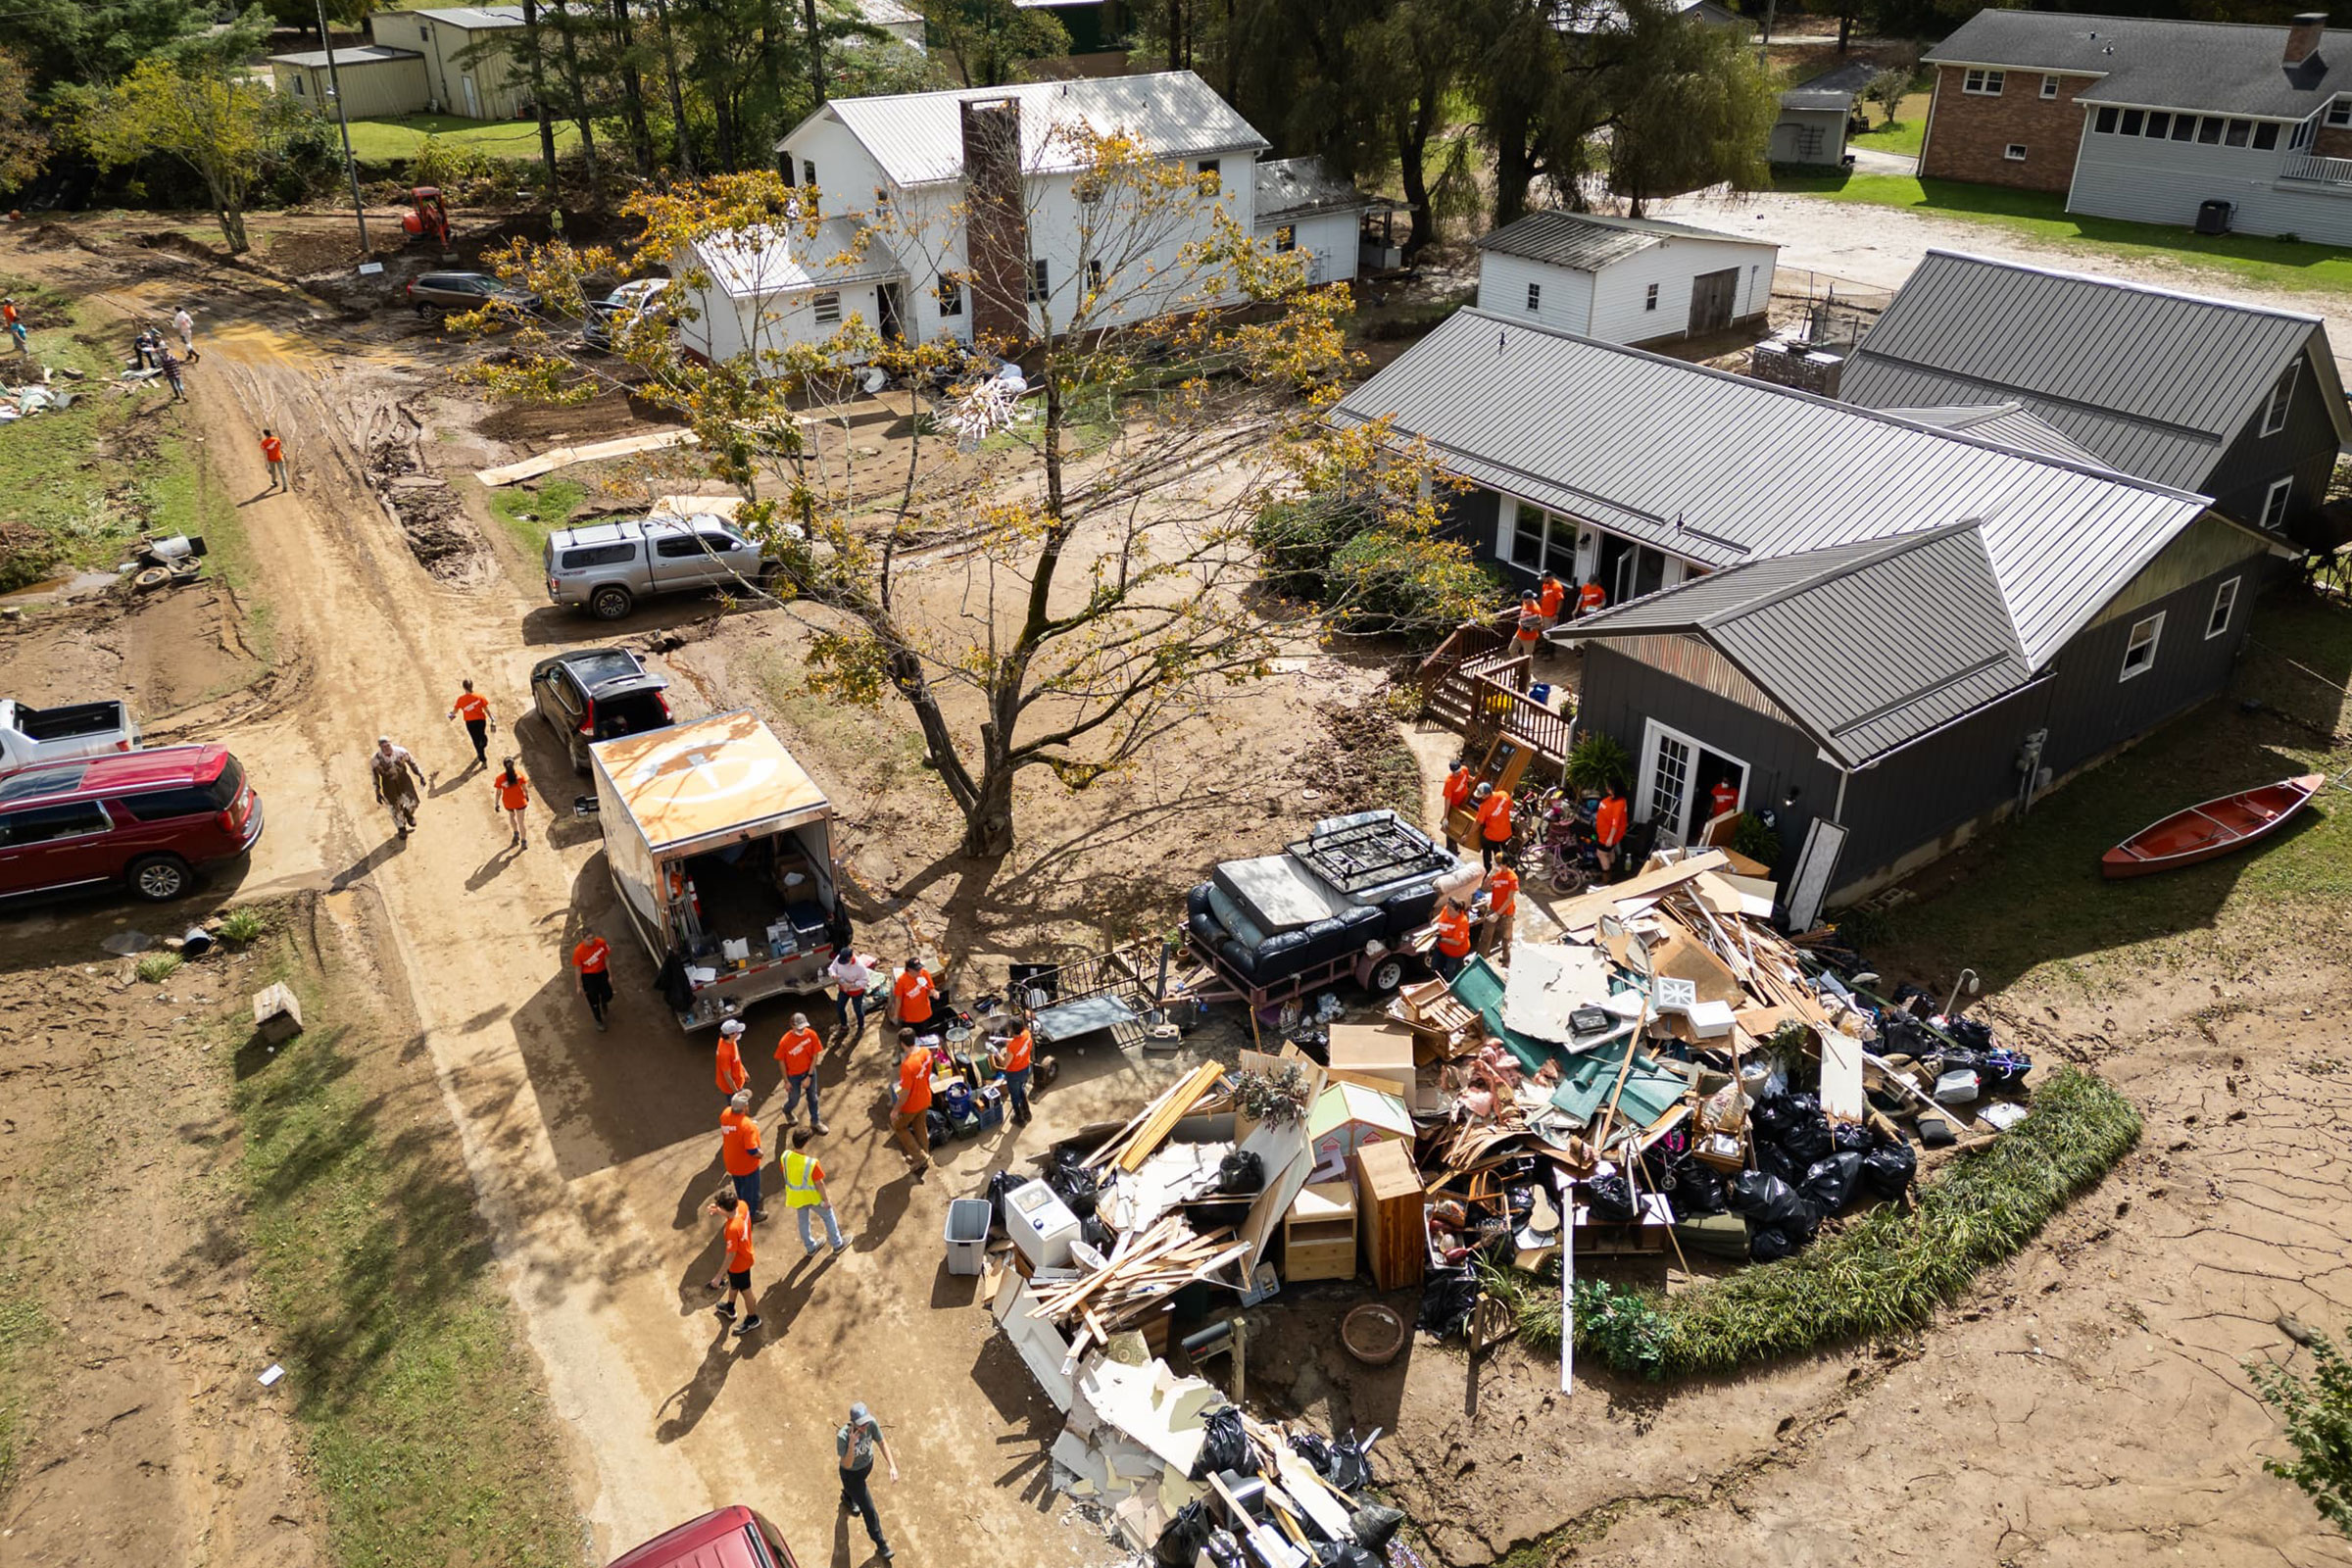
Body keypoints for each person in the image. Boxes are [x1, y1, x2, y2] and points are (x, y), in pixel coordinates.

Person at [836, 1402, 900, 1561]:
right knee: (869, 1509)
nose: (865, 1427)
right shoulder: (843, 1437)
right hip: (851, 1474)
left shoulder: (871, 1424)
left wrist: (892, 1467)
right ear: (853, 1422)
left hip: (866, 1467)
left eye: (866, 1422)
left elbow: (882, 1442)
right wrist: (851, 1445)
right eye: (861, 1424)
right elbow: (847, 1464)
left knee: (855, 1493)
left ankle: (848, 1498)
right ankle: (881, 1544)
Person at [704, 1191, 761, 1337]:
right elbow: (733, 1213)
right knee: (734, 1283)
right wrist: (719, 1210)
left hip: (739, 1264)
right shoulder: (742, 1205)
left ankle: (753, 1318)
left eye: (719, 1206)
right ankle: (730, 1307)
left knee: (746, 1291)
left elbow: (731, 1255)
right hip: (745, 1255)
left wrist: (718, 1277)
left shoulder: (731, 1229)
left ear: (725, 1208)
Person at [782, 1126, 844, 1255]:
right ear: (806, 1143)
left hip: (795, 1197)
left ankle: (810, 1248)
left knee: (803, 1221)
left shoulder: (785, 1155)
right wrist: (826, 1200)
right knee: (828, 1215)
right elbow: (819, 1184)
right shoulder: (811, 1163)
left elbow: (785, 1171)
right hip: (812, 1197)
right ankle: (838, 1244)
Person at [719, 1087, 768, 1221]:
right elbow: (752, 1150)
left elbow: (734, 1127)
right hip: (747, 1165)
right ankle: (751, 1214)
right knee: (751, 1191)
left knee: (740, 1186)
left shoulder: (725, 1114)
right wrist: (760, 1154)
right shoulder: (747, 1126)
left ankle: (743, 1202)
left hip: (731, 1161)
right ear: (745, 1107)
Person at [890, 1028, 932, 1178]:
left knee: (899, 1126)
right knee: (920, 1126)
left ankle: (920, 1157)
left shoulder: (907, 1066)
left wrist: (895, 1110)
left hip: (912, 1104)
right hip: (926, 1097)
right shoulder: (926, 1053)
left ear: (902, 1044)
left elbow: (905, 1092)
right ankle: (923, 1157)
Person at [775, 1012, 827, 1134]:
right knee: (794, 1099)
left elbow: (815, 1055)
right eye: (799, 1028)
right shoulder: (785, 1042)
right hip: (793, 1076)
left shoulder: (811, 1034)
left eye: (804, 1027)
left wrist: (809, 1076)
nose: (802, 1030)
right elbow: (781, 1062)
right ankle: (787, 1110)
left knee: (813, 1098)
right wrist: (786, 1081)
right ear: (792, 1025)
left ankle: (816, 1121)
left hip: (810, 1072)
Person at [369, 736, 424, 837]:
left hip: (404, 780)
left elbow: (412, 763)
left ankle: (408, 814)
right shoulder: (375, 760)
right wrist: (377, 791)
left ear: (391, 744)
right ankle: (401, 828)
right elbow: (374, 776)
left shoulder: (401, 752)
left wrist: (420, 775)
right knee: (394, 807)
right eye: (383, 747)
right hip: (388, 784)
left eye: (387, 745)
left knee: (413, 802)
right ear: (380, 747)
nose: (386, 748)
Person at [992, 1011, 1036, 1126]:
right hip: (1026, 1068)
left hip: (1014, 1073)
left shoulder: (1011, 1047)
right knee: (1021, 1088)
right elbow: (1019, 1042)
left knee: (1014, 1095)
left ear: (1011, 1030)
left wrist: (996, 1052)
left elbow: (1005, 1064)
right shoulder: (1027, 1033)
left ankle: (1019, 1117)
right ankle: (1027, 1112)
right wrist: (1004, 1039)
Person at [828, 948, 874, 1043]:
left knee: (857, 1009)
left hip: (856, 991)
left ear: (850, 958)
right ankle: (844, 1027)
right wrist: (833, 975)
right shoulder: (839, 958)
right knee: (840, 1007)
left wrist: (852, 985)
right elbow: (832, 968)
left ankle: (861, 1027)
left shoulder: (859, 967)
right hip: (843, 989)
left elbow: (865, 980)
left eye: (845, 962)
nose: (842, 963)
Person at [573, 928, 613, 1031]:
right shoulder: (578, 951)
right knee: (593, 999)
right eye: (588, 939)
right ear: (583, 939)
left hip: (602, 973)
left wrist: (610, 975)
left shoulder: (601, 943)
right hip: (589, 977)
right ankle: (599, 1020)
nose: (591, 941)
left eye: (592, 938)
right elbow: (578, 969)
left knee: (608, 994)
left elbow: (606, 958)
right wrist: (578, 985)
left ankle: (604, 1001)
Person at [1479, 862, 1521, 961]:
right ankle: (1480, 959)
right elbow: (1485, 888)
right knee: (1485, 936)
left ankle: (1506, 960)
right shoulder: (1496, 875)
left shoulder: (1512, 878)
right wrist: (1489, 877)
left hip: (1507, 913)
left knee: (1506, 938)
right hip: (1493, 908)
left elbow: (1509, 899)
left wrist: (1498, 914)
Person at [449, 680, 493, 768]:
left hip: (470, 723)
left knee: (476, 740)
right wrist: (492, 718)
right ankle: (482, 753)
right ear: (472, 686)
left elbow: (455, 710)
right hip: (481, 721)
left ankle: (482, 757)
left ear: (464, 687)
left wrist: (451, 715)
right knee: (481, 737)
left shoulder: (461, 700)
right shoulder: (479, 697)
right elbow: (486, 709)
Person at [491, 757, 530, 848]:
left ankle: (516, 833)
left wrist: (496, 804)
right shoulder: (519, 775)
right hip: (520, 801)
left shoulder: (500, 778)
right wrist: (527, 796)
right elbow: (525, 789)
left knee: (511, 816)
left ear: (504, 766)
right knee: (521, 822)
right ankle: (524, 841)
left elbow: (498, 793)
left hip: (508, 802)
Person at [1475, 783, 1515, 871]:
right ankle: (1506, 867)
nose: (1481, 797)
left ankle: (1487, 868)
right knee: (1503, 852)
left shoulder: (1484, 807)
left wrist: (1468, 835)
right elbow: (1511, 806)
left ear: (1487, 794)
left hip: (1492, 837)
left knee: (1486, 846)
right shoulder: (1504, 794)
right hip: (1506, 833)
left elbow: (1478, 822)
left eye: (1482, 795)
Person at [1430, 899, 1472, 980]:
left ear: (1458, 911)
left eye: (1450, 910)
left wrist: (1442, 939)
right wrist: (1434, 921)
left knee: (1451, 972)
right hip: (1442, 948)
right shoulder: (1447, 909)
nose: (1447, 911)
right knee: (1435, 966)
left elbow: (1457, 942)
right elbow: (1442, 914)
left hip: (1455, 953)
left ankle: (1452, 985)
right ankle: (1441, 980)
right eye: (1447, 908)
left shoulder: (1462, 922)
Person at [891, 956, 935, 1032]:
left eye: (920, 969)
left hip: (924, 1014)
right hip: (909, 1018)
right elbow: (898, 999)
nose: (919, 971)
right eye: (917, 970)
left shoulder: (924, 974)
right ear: (909, 969)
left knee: (922, 1035)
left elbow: (931, 989)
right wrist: (896, 1014)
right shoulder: (902, 981)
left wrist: (934, 993)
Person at [1594, 783, 1629, 877]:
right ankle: (1612, 867)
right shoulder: (1617, 800)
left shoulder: (1619, 804)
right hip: (1605, 832)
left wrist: (1610, 838)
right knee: (1610, 850)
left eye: (1609, 787)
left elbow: (1615, 823)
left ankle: (1606, 875)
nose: (1606, 788)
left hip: (1608, 834)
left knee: (1601, 853)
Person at [714, 1016, 750, 1103]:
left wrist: (744, 1071)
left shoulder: (730, 1040)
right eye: (737, 1032)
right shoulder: (724, 1053)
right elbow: (727, 1076)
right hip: (731, 1088)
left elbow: (736, 1059)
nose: (739, 1033)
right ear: (731, 1034)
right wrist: (736, 1092)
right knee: (736, 1106)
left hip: (738, 1080)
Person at [1440, 759, 1473, 846]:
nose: (1457, 774)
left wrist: (1475, 780)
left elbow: (1468, 778)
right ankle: (1451, 847)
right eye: (1455, 773)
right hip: (1454, 805)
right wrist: (1446, 817)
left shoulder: (1464, 770)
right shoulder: (1449, 782)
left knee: (1463, 824)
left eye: (1458, 771)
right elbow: (1447, 800)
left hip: (1464, 801)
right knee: (1451, 828)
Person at [1511, 589, 1544, 657]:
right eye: (1523, 600)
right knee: (1512, 649)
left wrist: (1529, 627)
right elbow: (1522, 615)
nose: (1524, 601)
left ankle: (1527, 667)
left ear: (1531, 599)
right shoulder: (1524, 604)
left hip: (1529, 637)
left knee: (1528, 656)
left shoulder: (1536, 609)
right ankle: (1519, 664)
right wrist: (1520, 622)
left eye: (1526, 600)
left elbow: (1540, 626)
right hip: (1519, 633)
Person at [1537, 569, 1567, 635]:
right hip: (1543, 613)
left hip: (1551, 615)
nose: (1543, 581)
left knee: (1549, 633)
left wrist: (1556, 614)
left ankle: (1550, 645)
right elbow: (1543, 595)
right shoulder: (1545, 585)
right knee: (1542, 630)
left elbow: (1560, 600)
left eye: (1544, 579)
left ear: (1549, 578)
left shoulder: (1557, 587)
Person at [261, 428, 289, 492]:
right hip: (279, 457)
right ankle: (285, 486)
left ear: (265, 434)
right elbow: (279, 446)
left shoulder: (264, 443)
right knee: (282, 472)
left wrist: (266, 463)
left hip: (271, 458)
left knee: (273, 471)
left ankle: (274, 482)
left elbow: (264, 452)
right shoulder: (276, 439)